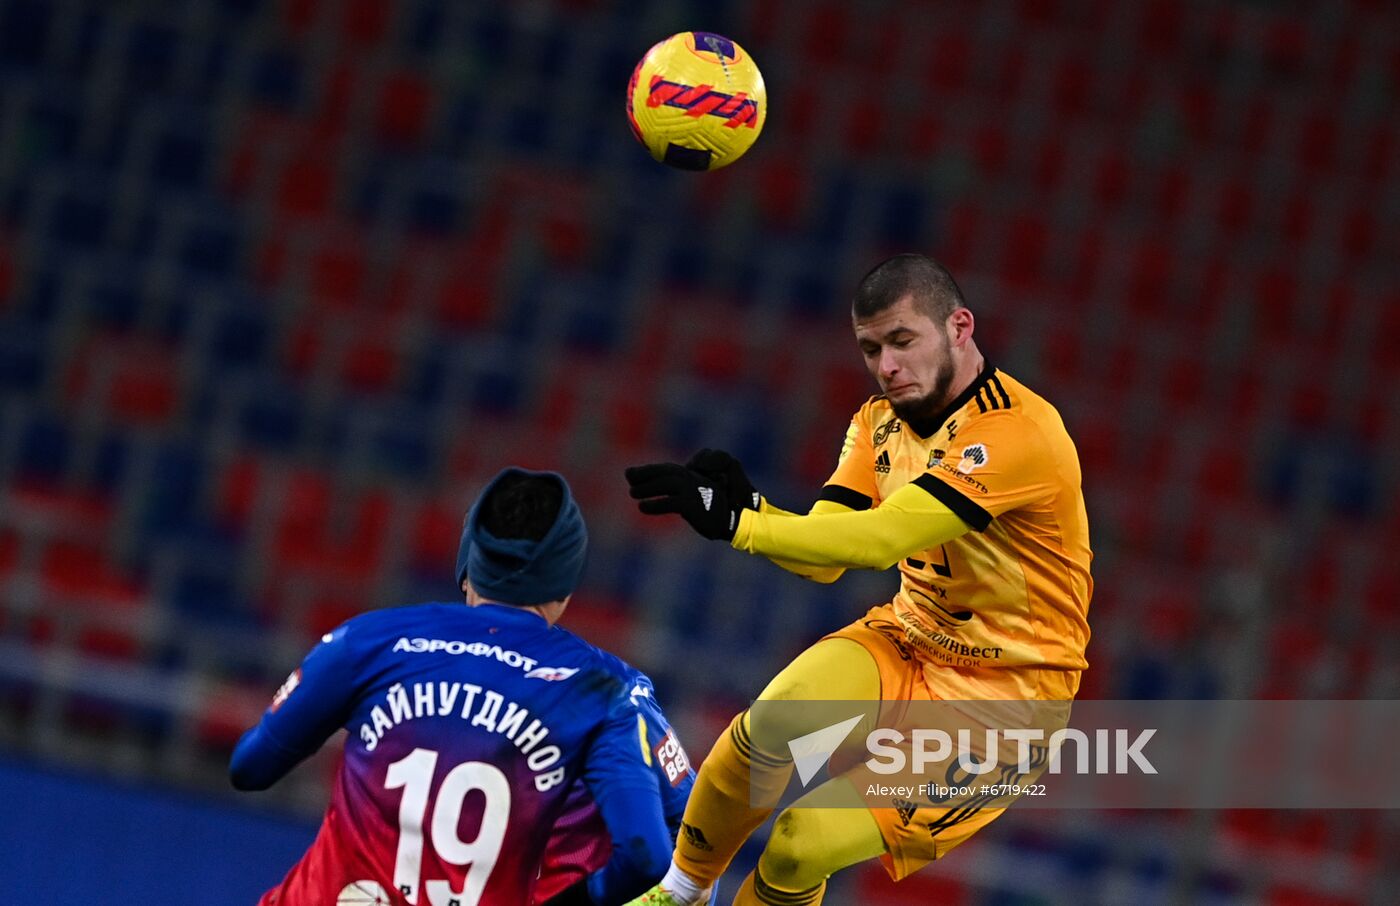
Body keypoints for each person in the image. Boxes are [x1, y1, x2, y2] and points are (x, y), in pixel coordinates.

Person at [622, 253, 1093, 905]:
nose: (886, 366)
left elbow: (880, 540)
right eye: (871, 349)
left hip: (1004, 701)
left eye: (902, 341)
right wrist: (755, 509)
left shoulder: (1019, 432)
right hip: (909, 639)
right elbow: (825, 552)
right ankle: (679, 893)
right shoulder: (877, 424)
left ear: (959, 327)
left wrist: (739, 524)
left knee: (797, 846)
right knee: (769, 728)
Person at [231, 468, 677, 905]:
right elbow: (654, 853)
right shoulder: (606, 692)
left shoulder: (368, 641)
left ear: (468, 562)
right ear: (565, 586)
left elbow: (250, 767)